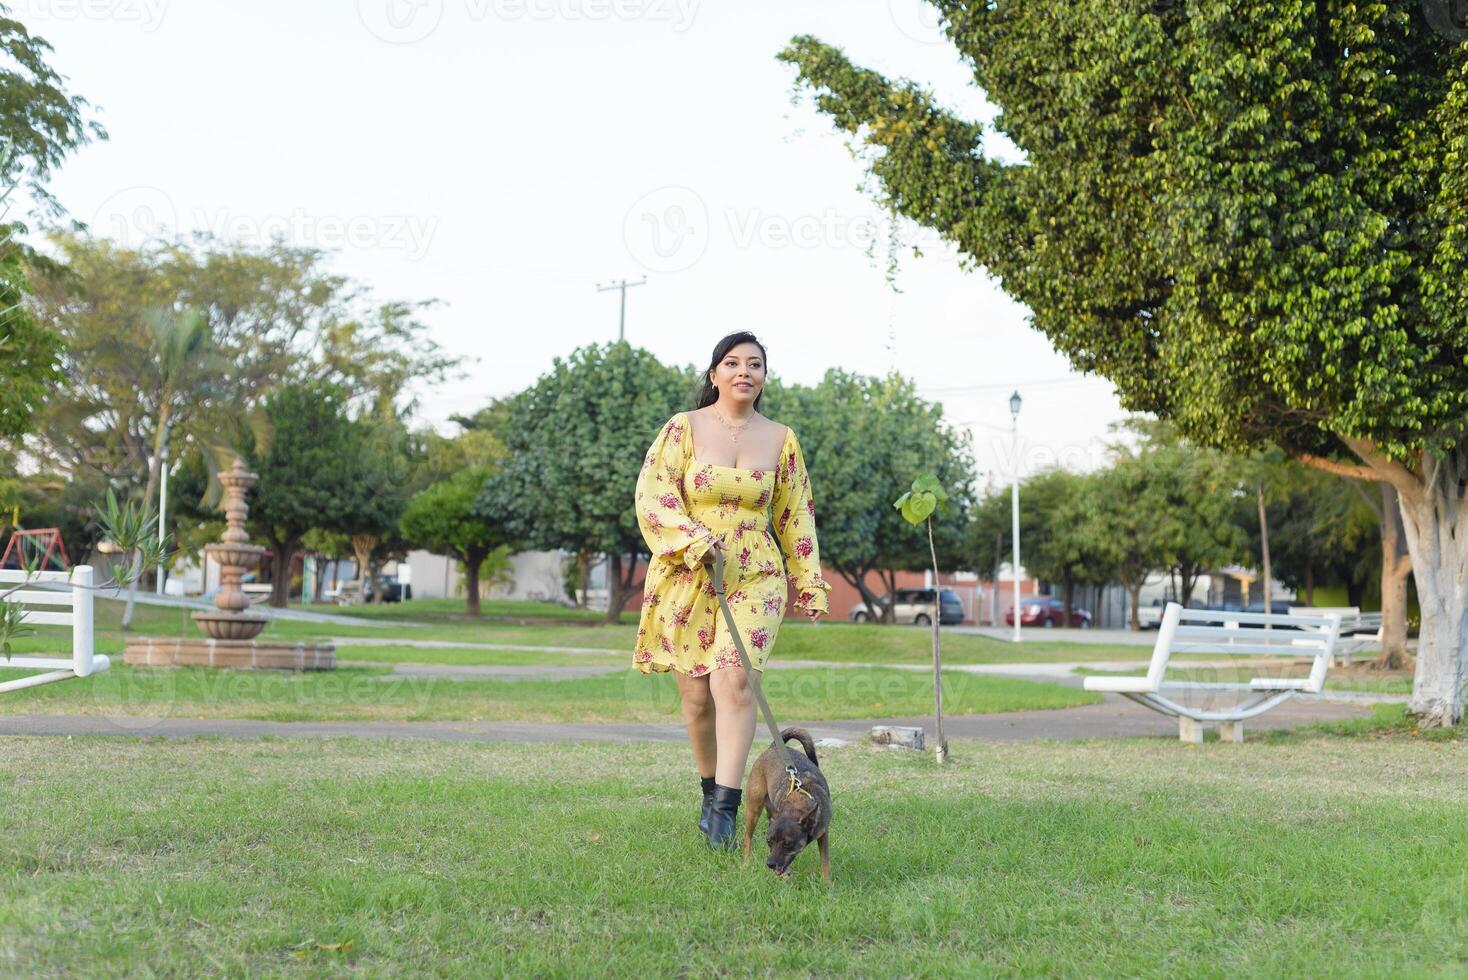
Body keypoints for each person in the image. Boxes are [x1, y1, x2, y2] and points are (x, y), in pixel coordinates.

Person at [632, 332, 832, 850]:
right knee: (697, 699)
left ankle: (725, 808)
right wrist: (694, 541)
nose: (744, 371)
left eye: (755, 364)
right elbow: (654, 495)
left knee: (734, 679)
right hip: (689, 571)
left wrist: (808, 579)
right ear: (715, 374)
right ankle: (707, 790)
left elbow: (795, 513)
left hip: (756, 574)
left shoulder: (781, 438)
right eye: (733, 363)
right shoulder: (684, 428)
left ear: (764, 377)